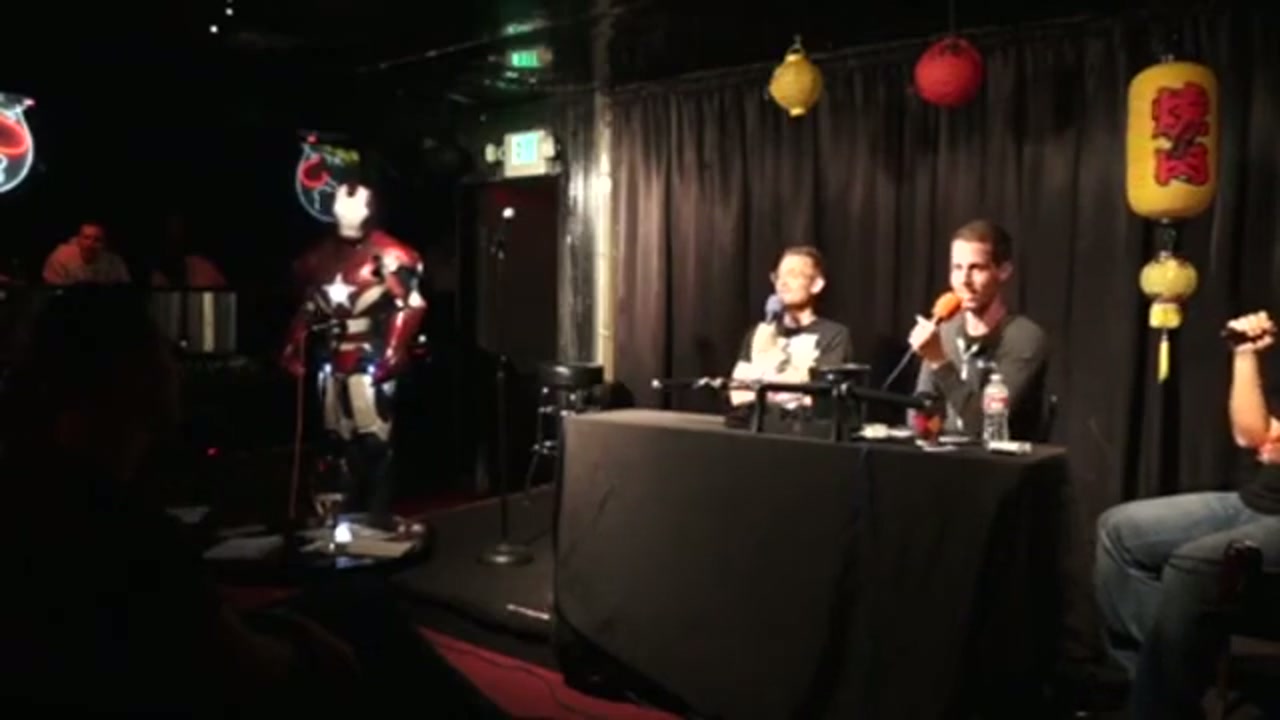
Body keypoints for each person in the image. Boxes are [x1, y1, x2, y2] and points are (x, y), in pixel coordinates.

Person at [0, 288, 505, 716]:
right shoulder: (130, 536)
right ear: (128, 375)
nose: (176, 364)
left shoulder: (43, 493)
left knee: (357, 601)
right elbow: (245, 664)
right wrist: (309, 647)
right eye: (161, 348)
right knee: (370, 624)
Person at [1095, 310, 1280, 719]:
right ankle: (1156, 684)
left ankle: (1160, 698)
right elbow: (1252, 434)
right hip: (1259, 501)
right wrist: (1245, 354)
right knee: (1119, 531)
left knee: (1194, 563)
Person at [282, 183, 426, 527]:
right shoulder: (317, 257)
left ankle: (376, 510)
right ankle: (344, 509)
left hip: (369, 354)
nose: (348, 212)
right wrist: (293, 344)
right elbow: (308, 306)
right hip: (333, 355)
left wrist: (394, 349)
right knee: (337, 435)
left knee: (373, 435)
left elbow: (411, 304)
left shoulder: (391, 254)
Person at [908, 219, 1048, 440]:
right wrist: (926, 426)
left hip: (999, 458)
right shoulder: (944, 332)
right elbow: (920, 414)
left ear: (1003, 271)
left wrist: (939, 362)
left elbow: (983, 426)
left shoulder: (1025, 337)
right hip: (947, 456)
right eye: (957, 268)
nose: (964, 280)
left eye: (976, 268)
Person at [729, 246, 853, 407]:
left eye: (794, 275)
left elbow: (820, 397)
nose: (783, 283)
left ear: (816, 285)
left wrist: (766, 392)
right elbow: (738, 394)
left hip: (802, 422)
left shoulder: (834, 335)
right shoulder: (759, 332)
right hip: (755, 420)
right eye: (778, 276)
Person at [150, 212, 227, 288]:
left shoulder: (203, 268)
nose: (175, 242)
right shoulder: (156, 281)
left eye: (178, 236)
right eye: (170, 239)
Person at [41, 221, 131, 285]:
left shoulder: (113, 261)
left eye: (97, 240)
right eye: (86, 238)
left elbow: (124, 288)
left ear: (105, 243)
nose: (90, 244)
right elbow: (52, 288)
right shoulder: (60, 257)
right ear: (78, 239)